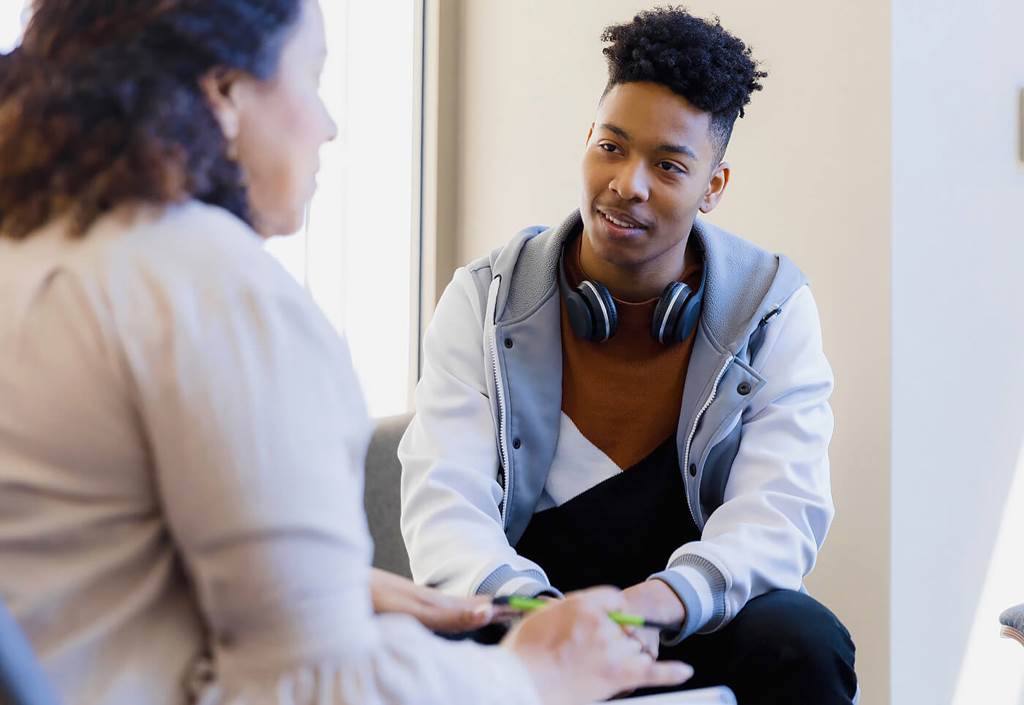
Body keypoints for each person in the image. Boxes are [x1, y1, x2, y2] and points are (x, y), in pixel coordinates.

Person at [0, 2, 692, 704]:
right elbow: (316, 686)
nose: (329, 126)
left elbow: (76, 561)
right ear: (226, 92)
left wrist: (326, 589)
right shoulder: (213, 289)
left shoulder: (31, 254)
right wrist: (534, 671)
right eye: (313, 75)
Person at [400, 7, 857, 704]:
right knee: (422, 641)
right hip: (525, 611)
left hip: (683, 616)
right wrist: (548, 619)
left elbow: (779, 513)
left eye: (669, 165)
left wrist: (651, 604)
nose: (628, 184)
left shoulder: (773, 308)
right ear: (587, 139)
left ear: (714, 187)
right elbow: (445, 501)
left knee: (803, 638)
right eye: (612, 147)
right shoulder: (485, 297)